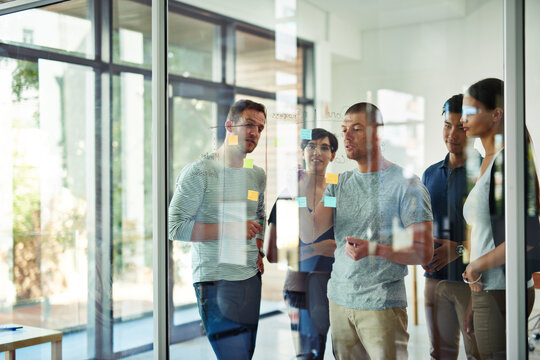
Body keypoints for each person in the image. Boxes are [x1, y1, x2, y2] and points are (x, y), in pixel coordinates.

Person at [300, 102, 434, 359]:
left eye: (356, 129)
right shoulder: (337, 186)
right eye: (344, 129)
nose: (346, 136)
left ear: (377, 134)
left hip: (381, 307)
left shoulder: (407, 185)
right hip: (339, 302)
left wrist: (375, 250)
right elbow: (311, 230)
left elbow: (424, 252)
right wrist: (301, 188)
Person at [168, 99, 267, 360]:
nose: (255, 133)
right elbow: (175, 227)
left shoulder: (256, 174)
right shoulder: (199, 172)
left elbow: (259, 215)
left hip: (249, 279)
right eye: (248, 124)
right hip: (214, 282)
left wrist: (258, 247)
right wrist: (233, 229)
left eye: (260, 128)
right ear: (229, 126)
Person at [461, 78, 538, 359]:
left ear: (496, 114)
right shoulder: (487, 161)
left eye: (472, 112)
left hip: (502, 288)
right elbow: (484, 234)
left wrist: (476, 267)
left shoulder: (509, 161)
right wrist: (473, 290)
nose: (462, 120)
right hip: (487, 287)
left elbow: (527, 239)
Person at [267, 128, 338, 359]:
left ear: (333, 155)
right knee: (308, 354)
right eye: (311, 146)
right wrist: (319, 248)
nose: (317, 152)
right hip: (301, 286)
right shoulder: (290, 193)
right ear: (302, 152)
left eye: (324, 147)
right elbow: (275, 253)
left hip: (336, 286)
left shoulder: (336, 193)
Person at [422, 94, 480, 359]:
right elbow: (424, 226)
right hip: (435, 280)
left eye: (461, 127)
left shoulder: (485, 173)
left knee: (478, 353)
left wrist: (457, 251)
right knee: (440, 353)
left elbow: (498, 239)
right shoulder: (430, 174)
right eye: (447, 125)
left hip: (475, 281)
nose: (452, 134)